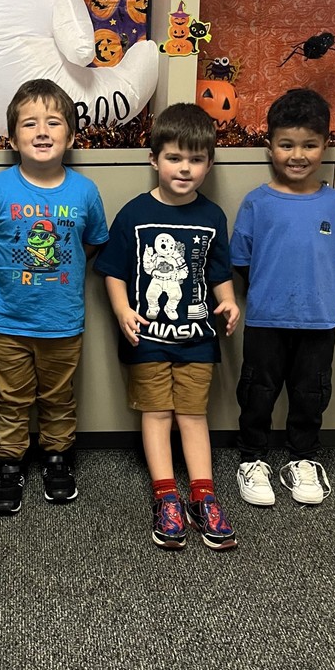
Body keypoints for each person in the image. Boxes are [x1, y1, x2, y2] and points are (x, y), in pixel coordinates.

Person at [94, 103, 240, 551]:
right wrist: (122, 310)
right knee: (157, 415)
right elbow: (113, 269)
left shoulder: (212, 216)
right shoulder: (134, 213)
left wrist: (229, 301)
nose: (185, 168)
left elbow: (218, 271)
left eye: (196, 160)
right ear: (153, 158)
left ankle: (203, 494)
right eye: (175, 157)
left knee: (193, 417)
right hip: (147, 340)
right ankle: (165, 497)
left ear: (209, 165)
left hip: (197, 340)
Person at [0, 78, 109, 515]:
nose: (42, 131)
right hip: (7, 320)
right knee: (10, 398)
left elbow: (93, 241)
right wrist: (14, 270)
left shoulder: (84, 192)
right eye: (30, 124)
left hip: (62, 320)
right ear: (13, 138)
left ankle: (57, 458)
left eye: (53, 122)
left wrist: (59, 269)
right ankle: (9, 464)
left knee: (59, 397)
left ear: (71, 135)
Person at [230, 87, 335, 507]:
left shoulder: (333, 202)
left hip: (320, 320)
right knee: (258, 390)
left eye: (309, 145)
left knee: (312, 393)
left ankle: (302, 458)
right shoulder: (256, 202)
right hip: (266, 319)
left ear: (325, 146)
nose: (297, 155)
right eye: (286, 144)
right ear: (270, 147)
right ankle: (252, 458)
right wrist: (271, 292)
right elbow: (242, 261)